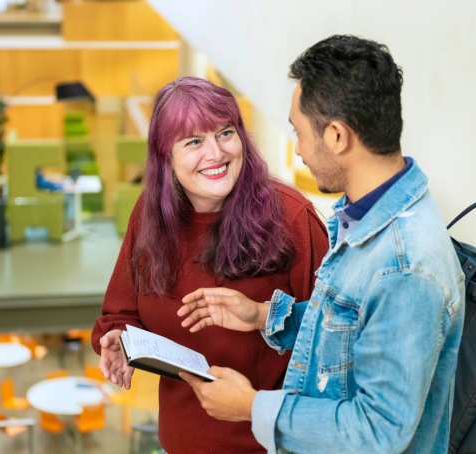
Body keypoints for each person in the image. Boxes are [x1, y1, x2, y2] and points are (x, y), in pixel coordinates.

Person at [178, 35, 465, 453]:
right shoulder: (366, 218)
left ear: (336, 136)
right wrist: (263, 316)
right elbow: (352, 331)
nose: (298, 152)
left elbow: (377, 433)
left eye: (299, 133)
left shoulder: (405, 267)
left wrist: (252, 407)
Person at [91, 76, 329, 453]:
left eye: (225, 133)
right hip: (180, 441)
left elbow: (335, 339)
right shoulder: (150, 215)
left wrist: (262, 316)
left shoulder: (292, 217)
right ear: (165, 156)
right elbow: (121, 312)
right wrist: (119, 340)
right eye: (194, 142)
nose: (216, 153)